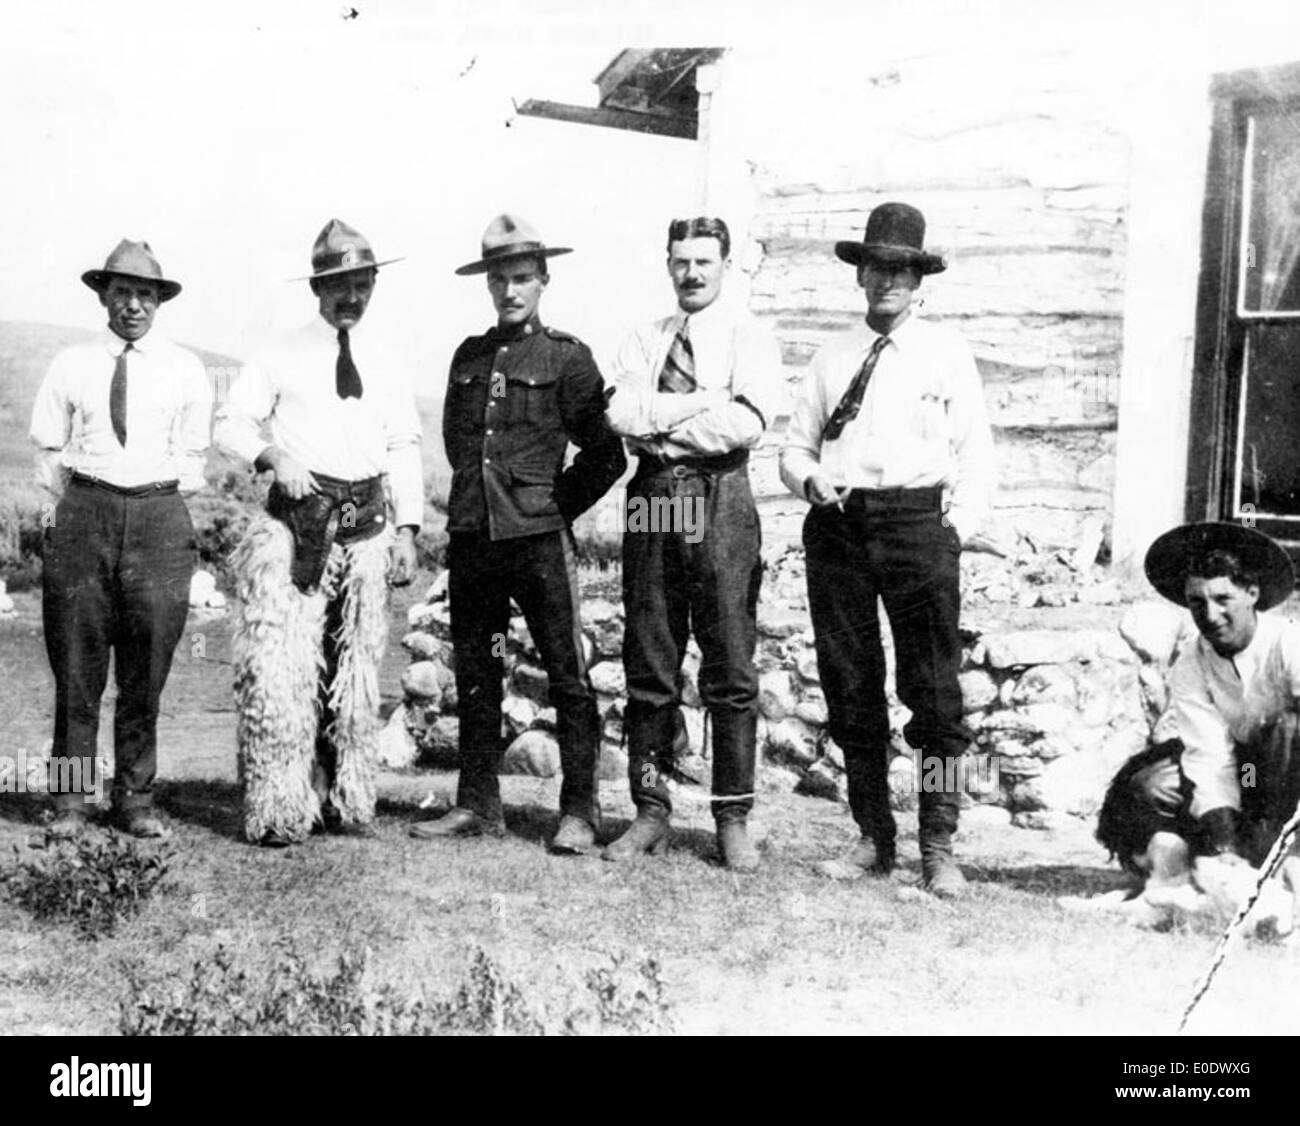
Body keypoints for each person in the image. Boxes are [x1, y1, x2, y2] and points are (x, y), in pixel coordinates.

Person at [779, 201, 995, 897]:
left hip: (917, 528)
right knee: (851, 689)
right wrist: (808, 477)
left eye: (901, 269)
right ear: (860, 274)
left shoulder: (945, 353)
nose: (888, 281)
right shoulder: (832, 354)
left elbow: (978, 455)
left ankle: (938, 843)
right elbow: (794, 445)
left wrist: (953, 530)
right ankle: (874, 837)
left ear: (919, 277)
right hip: (840, 527)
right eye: (877, 267)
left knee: (933, 695)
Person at [410, 214, 625, 853]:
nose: (510, 290)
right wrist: (481, 503)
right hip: (476, 536)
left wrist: (553, 506)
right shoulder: (469, 356)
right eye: (499, 278)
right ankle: (478, 804)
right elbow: (458, 442)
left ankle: (580, 812)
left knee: (567, 674)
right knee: (477, 669)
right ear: (487, 285)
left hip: (538, 539)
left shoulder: (568, 357)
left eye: (522, 278)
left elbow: (605, 454)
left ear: (543, 281)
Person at [214, 218, 421, 847]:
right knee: (282, 674)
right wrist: (274, 457)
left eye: (361, 283)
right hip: (295, 528)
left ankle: (343, 797)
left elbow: (403, 443)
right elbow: (230, 425)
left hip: (366, 531)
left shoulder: (386, 358)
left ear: (373, 285)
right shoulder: (279, 352)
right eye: (338, 285)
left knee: (352, 671)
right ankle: (279, 806)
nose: (350, 296)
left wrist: (407, 530)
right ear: (317, 289)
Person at [602, 216, 783, 872]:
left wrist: (663, 423)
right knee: (650, 657)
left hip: (719, 498)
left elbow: (746, 423)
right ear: (668, 263)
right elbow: (620, 413)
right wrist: (699, 405)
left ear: (725, 265)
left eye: (704, 261)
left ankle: (733, 816)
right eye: (681, 260)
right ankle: (650, 812)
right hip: (653, 495)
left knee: (730, 663)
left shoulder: (749, 338)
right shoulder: (643, 338)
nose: (692, 273)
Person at [30, 239, 211, 840]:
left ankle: (135, 799)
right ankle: (72, 800)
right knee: (78, 668)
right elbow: (48, 449)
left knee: (146, 667)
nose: (133, 305)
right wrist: (85, 501)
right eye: (123, 292)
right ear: (104, 296)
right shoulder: (72, 363)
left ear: (159, 301)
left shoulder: (184, 368)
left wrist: (150, 497)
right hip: (84, 514)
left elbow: (192, 455)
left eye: (145, 294)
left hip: (160, 515)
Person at [1097, 522, 1300, 900]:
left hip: (1288, 773)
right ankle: (1217, 853)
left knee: (1288, 728)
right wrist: (1224, 840)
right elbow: (1209, 754)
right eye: (1197, 602)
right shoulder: (1191, 663)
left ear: (1251, 593)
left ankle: (1284, 852)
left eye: (1223, 599)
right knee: (1152, 784)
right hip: (1247, 775)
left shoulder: (1289, 642)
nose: (1210, 614)